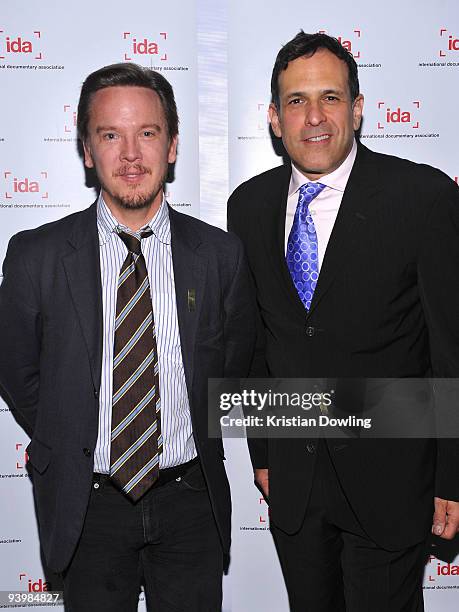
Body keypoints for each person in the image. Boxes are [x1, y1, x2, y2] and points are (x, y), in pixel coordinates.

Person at [0, 62, 256, 612]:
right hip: (86, 507)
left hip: (191, 502)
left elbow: (232, 367)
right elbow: (19, 374)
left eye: (148, 133)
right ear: (87, 151)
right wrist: (72, 431)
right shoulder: (35, 257)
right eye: (111, 135)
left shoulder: (219, 256)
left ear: (173, 146)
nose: (132, 154)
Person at [227, 31, 459, 611]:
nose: (314, 118)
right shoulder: (248, 206)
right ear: (275, 119)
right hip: (295, 485)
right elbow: (256, 341)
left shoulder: (423, 196)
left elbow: (450, 349)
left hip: (393, 479)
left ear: (357, 109)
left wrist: (451, 477)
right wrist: (262, 450)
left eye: (330, 97)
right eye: (296, 101)